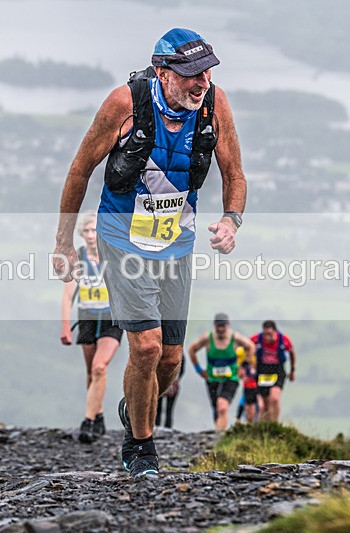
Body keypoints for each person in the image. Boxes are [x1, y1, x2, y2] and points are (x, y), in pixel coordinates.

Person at [52, 27, 247, 477]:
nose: (202, 82)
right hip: (121, 237)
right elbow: (81, 171)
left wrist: (231, 220)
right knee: (146, 346)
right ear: (163, 72)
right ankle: (141, 446)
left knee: (171, 359)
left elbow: (235, 173)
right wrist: (64, 242)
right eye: (191, 74)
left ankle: (133, 407)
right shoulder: (124, 104)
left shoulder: (215, 105)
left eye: (208, 72)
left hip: (177, 242)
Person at [60, 213, 124, 443]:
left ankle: (87, 421)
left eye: (94, 231)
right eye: (86, 231)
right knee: (91, 372)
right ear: (81, 234)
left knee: (99, 367)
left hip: (111, 318)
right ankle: (98, 417)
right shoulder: (76, 258)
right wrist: (65, 327)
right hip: (87, 317)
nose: (90, 235)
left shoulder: (113, 256)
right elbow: (68, 296)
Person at [187, 313, 255, 431]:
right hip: (212, 378)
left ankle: (219, 436)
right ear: (214, 325)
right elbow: (192, 350)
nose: (220, 329)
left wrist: (243, 367)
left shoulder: (235, 338)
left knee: (222, 406)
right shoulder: (208, 338)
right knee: (216, 408)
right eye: (218, 326)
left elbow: (251, 347)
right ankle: (219, 433)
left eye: (223, 325)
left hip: (231, 378)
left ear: (228, 325)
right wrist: (199, 369)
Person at [251, 320, 296, 422]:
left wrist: (292, 369)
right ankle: (266, 426)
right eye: (265, 334)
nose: (267, 338)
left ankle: (275, 424)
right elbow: (247, 347)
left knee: (274, 398)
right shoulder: (257, 339)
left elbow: (292, 352)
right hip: (262, 370)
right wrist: (249, 366)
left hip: (277, 370)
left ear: (275, 332)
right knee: (265, 403)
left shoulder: (283, 340)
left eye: (270, 335)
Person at [155, 353, 184, 428]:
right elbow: (182, 370)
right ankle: (165, 428)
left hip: (162, 383)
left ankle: (158, 427)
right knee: (167, 410)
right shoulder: (180, 355)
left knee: (161, 409)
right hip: (171, 384)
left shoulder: (160, 354)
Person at [235, 345, 259, 423]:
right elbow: (239, 374)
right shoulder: (244, 364)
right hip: (248, 387)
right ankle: (242, 421)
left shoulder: (256, 361)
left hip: (256, 388)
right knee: (246, 404)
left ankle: (256, 422)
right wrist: (242, 375)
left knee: (257, 405)